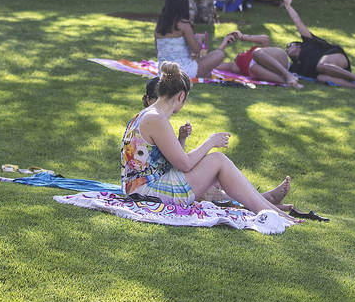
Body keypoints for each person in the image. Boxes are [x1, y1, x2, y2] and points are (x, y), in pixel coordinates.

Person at [121, 61, 294, 220]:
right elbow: (185, 164)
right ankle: (271, 211)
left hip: (143, 187)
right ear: (181, 96)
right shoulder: (156, 118)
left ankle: (270, 206)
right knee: (217, 160)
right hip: (146, 191)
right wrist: (211, 141)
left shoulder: (150, 115)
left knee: (213, 165)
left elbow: (174, 161)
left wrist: (186, 142)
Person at [281, 0, 355, 88]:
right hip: (329, 73)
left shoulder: (308, 42)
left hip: (333, 56)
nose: (287, 49)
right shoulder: (295, 68)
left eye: (289, 45)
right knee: (321, 78)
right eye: (286, 50)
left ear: (298, 44)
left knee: (321, 66)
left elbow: (297, 21)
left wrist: (288, 6)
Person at [154, 0, 236, 79]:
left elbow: (159, 51)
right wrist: (200, 39)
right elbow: (196, 50)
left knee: (207, 72)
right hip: (183, 71)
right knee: (219, 54)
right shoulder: (184, 25)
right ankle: (202, 73)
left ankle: (204, 74)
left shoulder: (158, 27)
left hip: (163, 71)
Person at [223, 31, 301, 87]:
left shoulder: (262, 51)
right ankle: (288, 81)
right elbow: (213, 64)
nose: (287, 48)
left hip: (278, 60)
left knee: (256, 53)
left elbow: (265, 39)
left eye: (290, 45)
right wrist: (223, 44)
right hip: (269, 72)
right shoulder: (235, 66)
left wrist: (242, 37)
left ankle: (288, 75)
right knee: (253, 69)